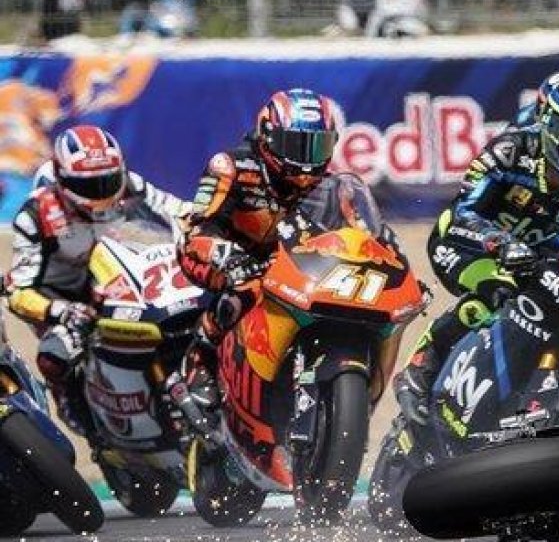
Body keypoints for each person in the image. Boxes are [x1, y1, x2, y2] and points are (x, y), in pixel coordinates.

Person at [393, 71, 559, 426]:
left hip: (544, 262)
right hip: (469, 242)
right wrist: (501, 243)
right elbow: (463, 212)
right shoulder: (510, 152)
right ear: (551, 128)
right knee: (499, 290)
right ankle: (423, 364)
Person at [171, 88, 340, 430]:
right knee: (246, 289)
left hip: (288, 264)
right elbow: (201, 226)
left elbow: (355, 229)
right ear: (268, 136)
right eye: (297, 145)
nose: (307, 160)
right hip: (217, 253)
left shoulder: (330, 184)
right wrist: (226, 256)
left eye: (317, 146)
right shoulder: (231, 167)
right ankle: (199, 363)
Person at [5, 125, 187, 435]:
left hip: (128, 280)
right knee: (55, 356)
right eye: (88, 184)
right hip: (70, 300)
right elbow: (18, 291)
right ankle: (77, 412)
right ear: (63, 181)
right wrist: (60, 311)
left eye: (108, 179)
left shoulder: (132, 184)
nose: (102, 191)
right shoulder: (34, 216)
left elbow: (181, 211)